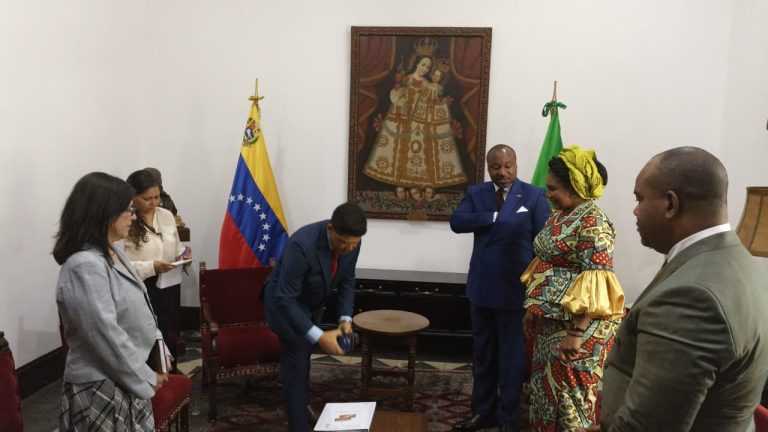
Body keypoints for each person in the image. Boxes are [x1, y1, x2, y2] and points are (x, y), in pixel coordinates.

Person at [596, 147, 768, 431]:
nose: (635, 210)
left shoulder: (693, 296)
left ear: (670, 204)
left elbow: (649, 426)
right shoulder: (739, 260)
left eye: (640, 198)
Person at [520, 145, 625, 431]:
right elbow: (546, 263)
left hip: (580, 327)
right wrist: (534, 309)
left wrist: (576, 332)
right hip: (551, 322)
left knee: (569, 400)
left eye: (553, 188)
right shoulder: (560, 215)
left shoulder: (594, 222)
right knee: (543, 393)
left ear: (575, 187)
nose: (548, 194)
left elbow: (597, 281)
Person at [53, 172, 168, 431]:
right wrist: (144, 375)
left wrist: (158, 347)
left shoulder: (113, 250)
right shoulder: (84, 265)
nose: (133, 217)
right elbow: (105, 336)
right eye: (128, 210)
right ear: (103, 214)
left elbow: (140, 304)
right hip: (101, 385)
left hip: (124, 375)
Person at [450, 144, 550, 432]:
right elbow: (457, 222)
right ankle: (482, 412)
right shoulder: (477, 193)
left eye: (508, 166)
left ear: (516, 165)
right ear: (488, 167)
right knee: (483, 356)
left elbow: (544, 246)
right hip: (481, 289)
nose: (503, 172)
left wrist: (537, 292)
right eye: (496, 167)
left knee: (511, 359)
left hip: (515, 292)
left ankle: (508, 418)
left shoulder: (534, 196)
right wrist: (492, 217)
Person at [264, 202, 367, 432]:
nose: (350, 248)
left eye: (354, 243)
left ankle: (303, 404)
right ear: (330, 229)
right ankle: (298, 424)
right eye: (344, 242)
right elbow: (285, 298)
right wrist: (319, 336)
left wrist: (345, 319)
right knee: (296, 366)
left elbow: (347, 279)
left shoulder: (353, 241)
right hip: (285, 308)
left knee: (304, 359)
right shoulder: (301, 245)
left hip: (311, 304)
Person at [363, 38, 467, 195]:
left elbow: (432, 102)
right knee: (400, 153)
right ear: (417, 63)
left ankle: (416, 186)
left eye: (428, 67)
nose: (425, 69)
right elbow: (396, 98)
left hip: (420, 125)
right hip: (403, 120)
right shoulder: (405, 80)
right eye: (423, 65)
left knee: (418, 156)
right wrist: (398, 94)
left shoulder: (428, 85)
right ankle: (399, 185)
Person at [123, 169, 190, 364]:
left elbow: (176, 247)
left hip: (168, 284)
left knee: (169, 332)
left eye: (157, 197)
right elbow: (118, 265)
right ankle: (151, 377)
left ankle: (170, 373)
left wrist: (183, 255)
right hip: (141, 287)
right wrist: (152, 266)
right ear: (132, 196)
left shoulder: (166, 215)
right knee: (148, 336)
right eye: (147, 199)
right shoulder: (124, 220)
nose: (154, 203)